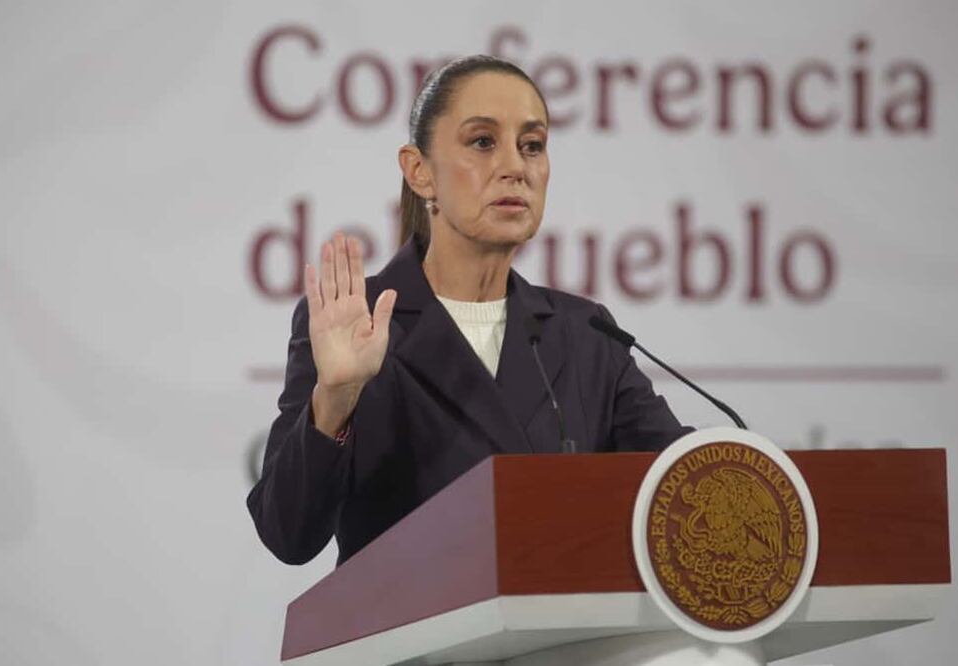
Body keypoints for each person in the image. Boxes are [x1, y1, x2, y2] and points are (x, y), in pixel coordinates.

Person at [247, 55, 693, 566]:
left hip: (562, 640)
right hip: (417, 642)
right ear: (420, 172)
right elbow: (287, 534)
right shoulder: (359, 322)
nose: (514, 167)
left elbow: (686, 484)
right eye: (483, 142)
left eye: (532, 146)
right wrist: (337, 397)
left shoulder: (586, 333)